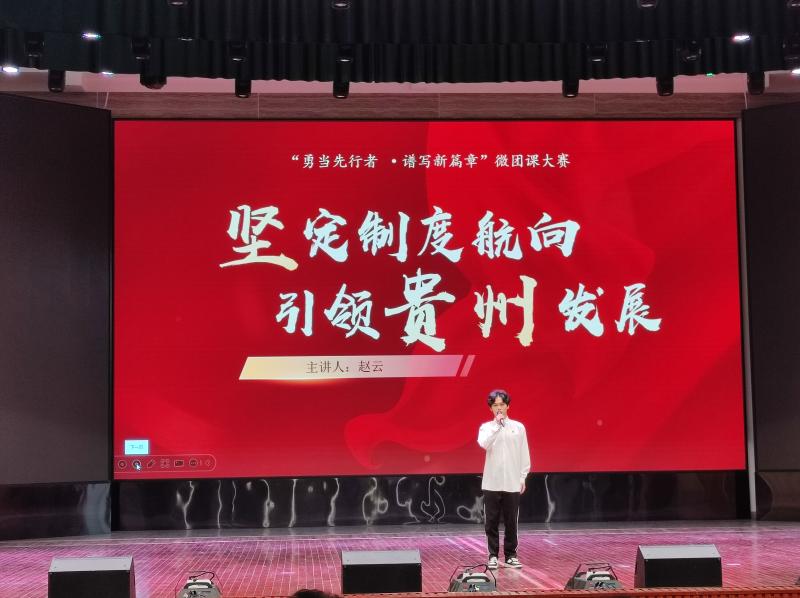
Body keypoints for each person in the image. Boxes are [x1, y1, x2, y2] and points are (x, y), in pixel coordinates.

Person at [477, 389, 530, 570]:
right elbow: (484, 444)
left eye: (502, 404)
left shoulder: (518, 427)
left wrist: (522, 477)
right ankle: (493, 555)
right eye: (495, 405)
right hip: (492, 482)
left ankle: (511, 555)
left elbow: (524, 453)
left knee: (511, 521)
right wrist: (497, 427)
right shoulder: (486, 427)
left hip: (512, 482)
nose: (499, 408)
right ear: (491, 408)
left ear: (508, 406)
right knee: (491, 521)